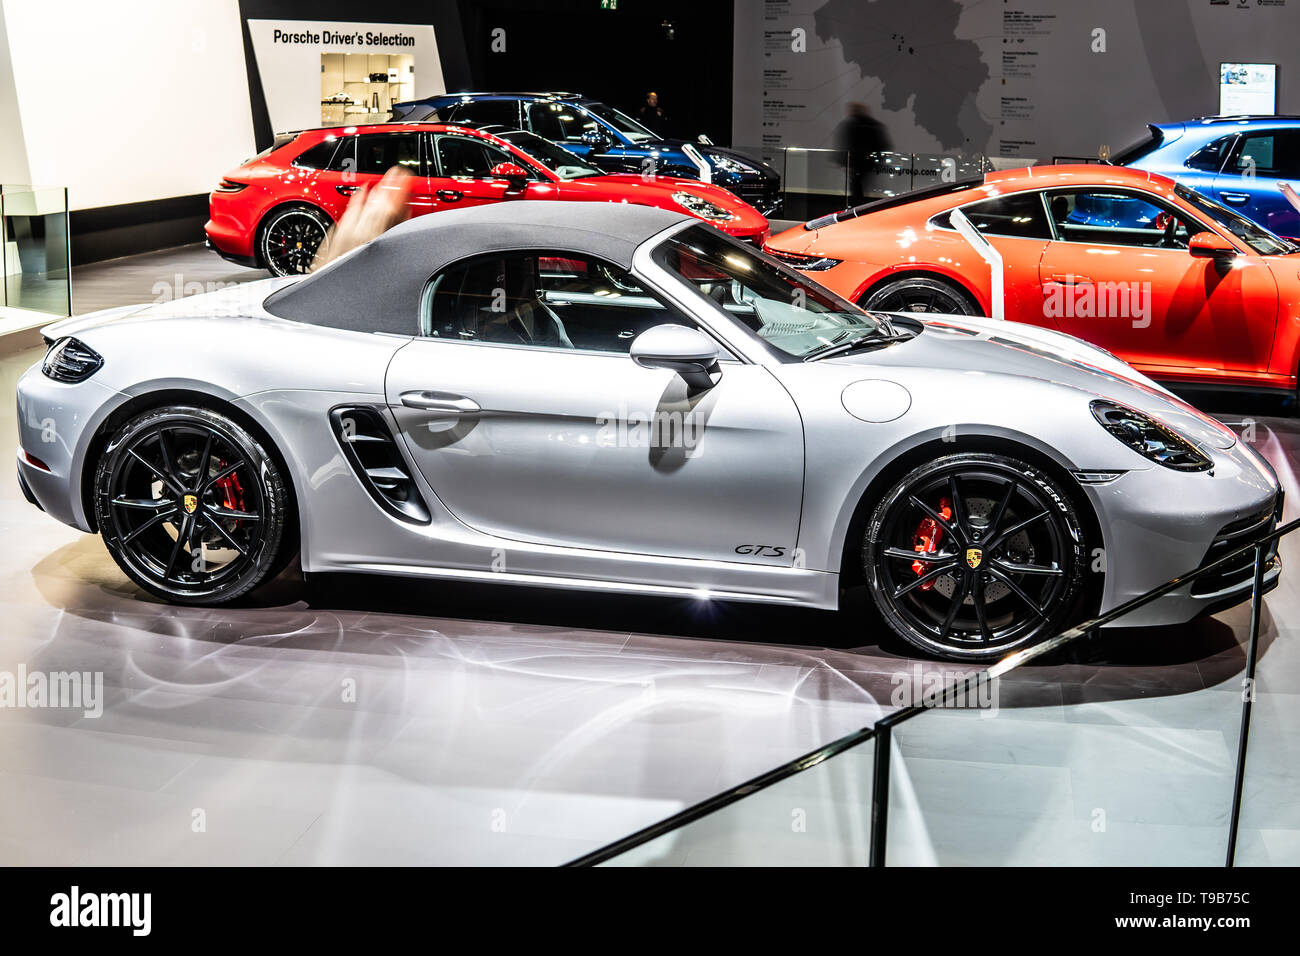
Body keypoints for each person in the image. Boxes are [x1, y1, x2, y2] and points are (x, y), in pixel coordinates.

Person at [833, 103, 892, 207]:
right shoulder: (873, 125)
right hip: (867, 164)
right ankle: (862, 208)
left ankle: (857, 209)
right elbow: (883, 144)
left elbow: (845, 143)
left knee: (856, 188)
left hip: (856, 163)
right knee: (862, 187)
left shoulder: (851, 124)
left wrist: (842, 161)